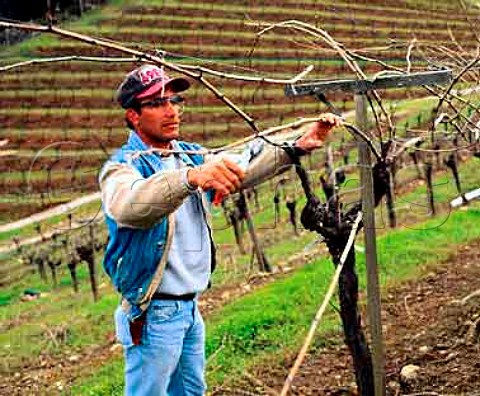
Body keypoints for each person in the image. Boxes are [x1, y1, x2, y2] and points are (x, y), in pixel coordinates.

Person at [99, 64, 341, 396]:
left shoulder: (189, 154)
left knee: (191, 392)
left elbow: (240, 169)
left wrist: (295, 146)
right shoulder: (123, 166)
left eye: (175, 101)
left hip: (188, 309)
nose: (171, 111)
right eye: (156, 103)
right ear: (133, 115)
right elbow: (129, 206)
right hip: (154, 314)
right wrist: (190, 179)